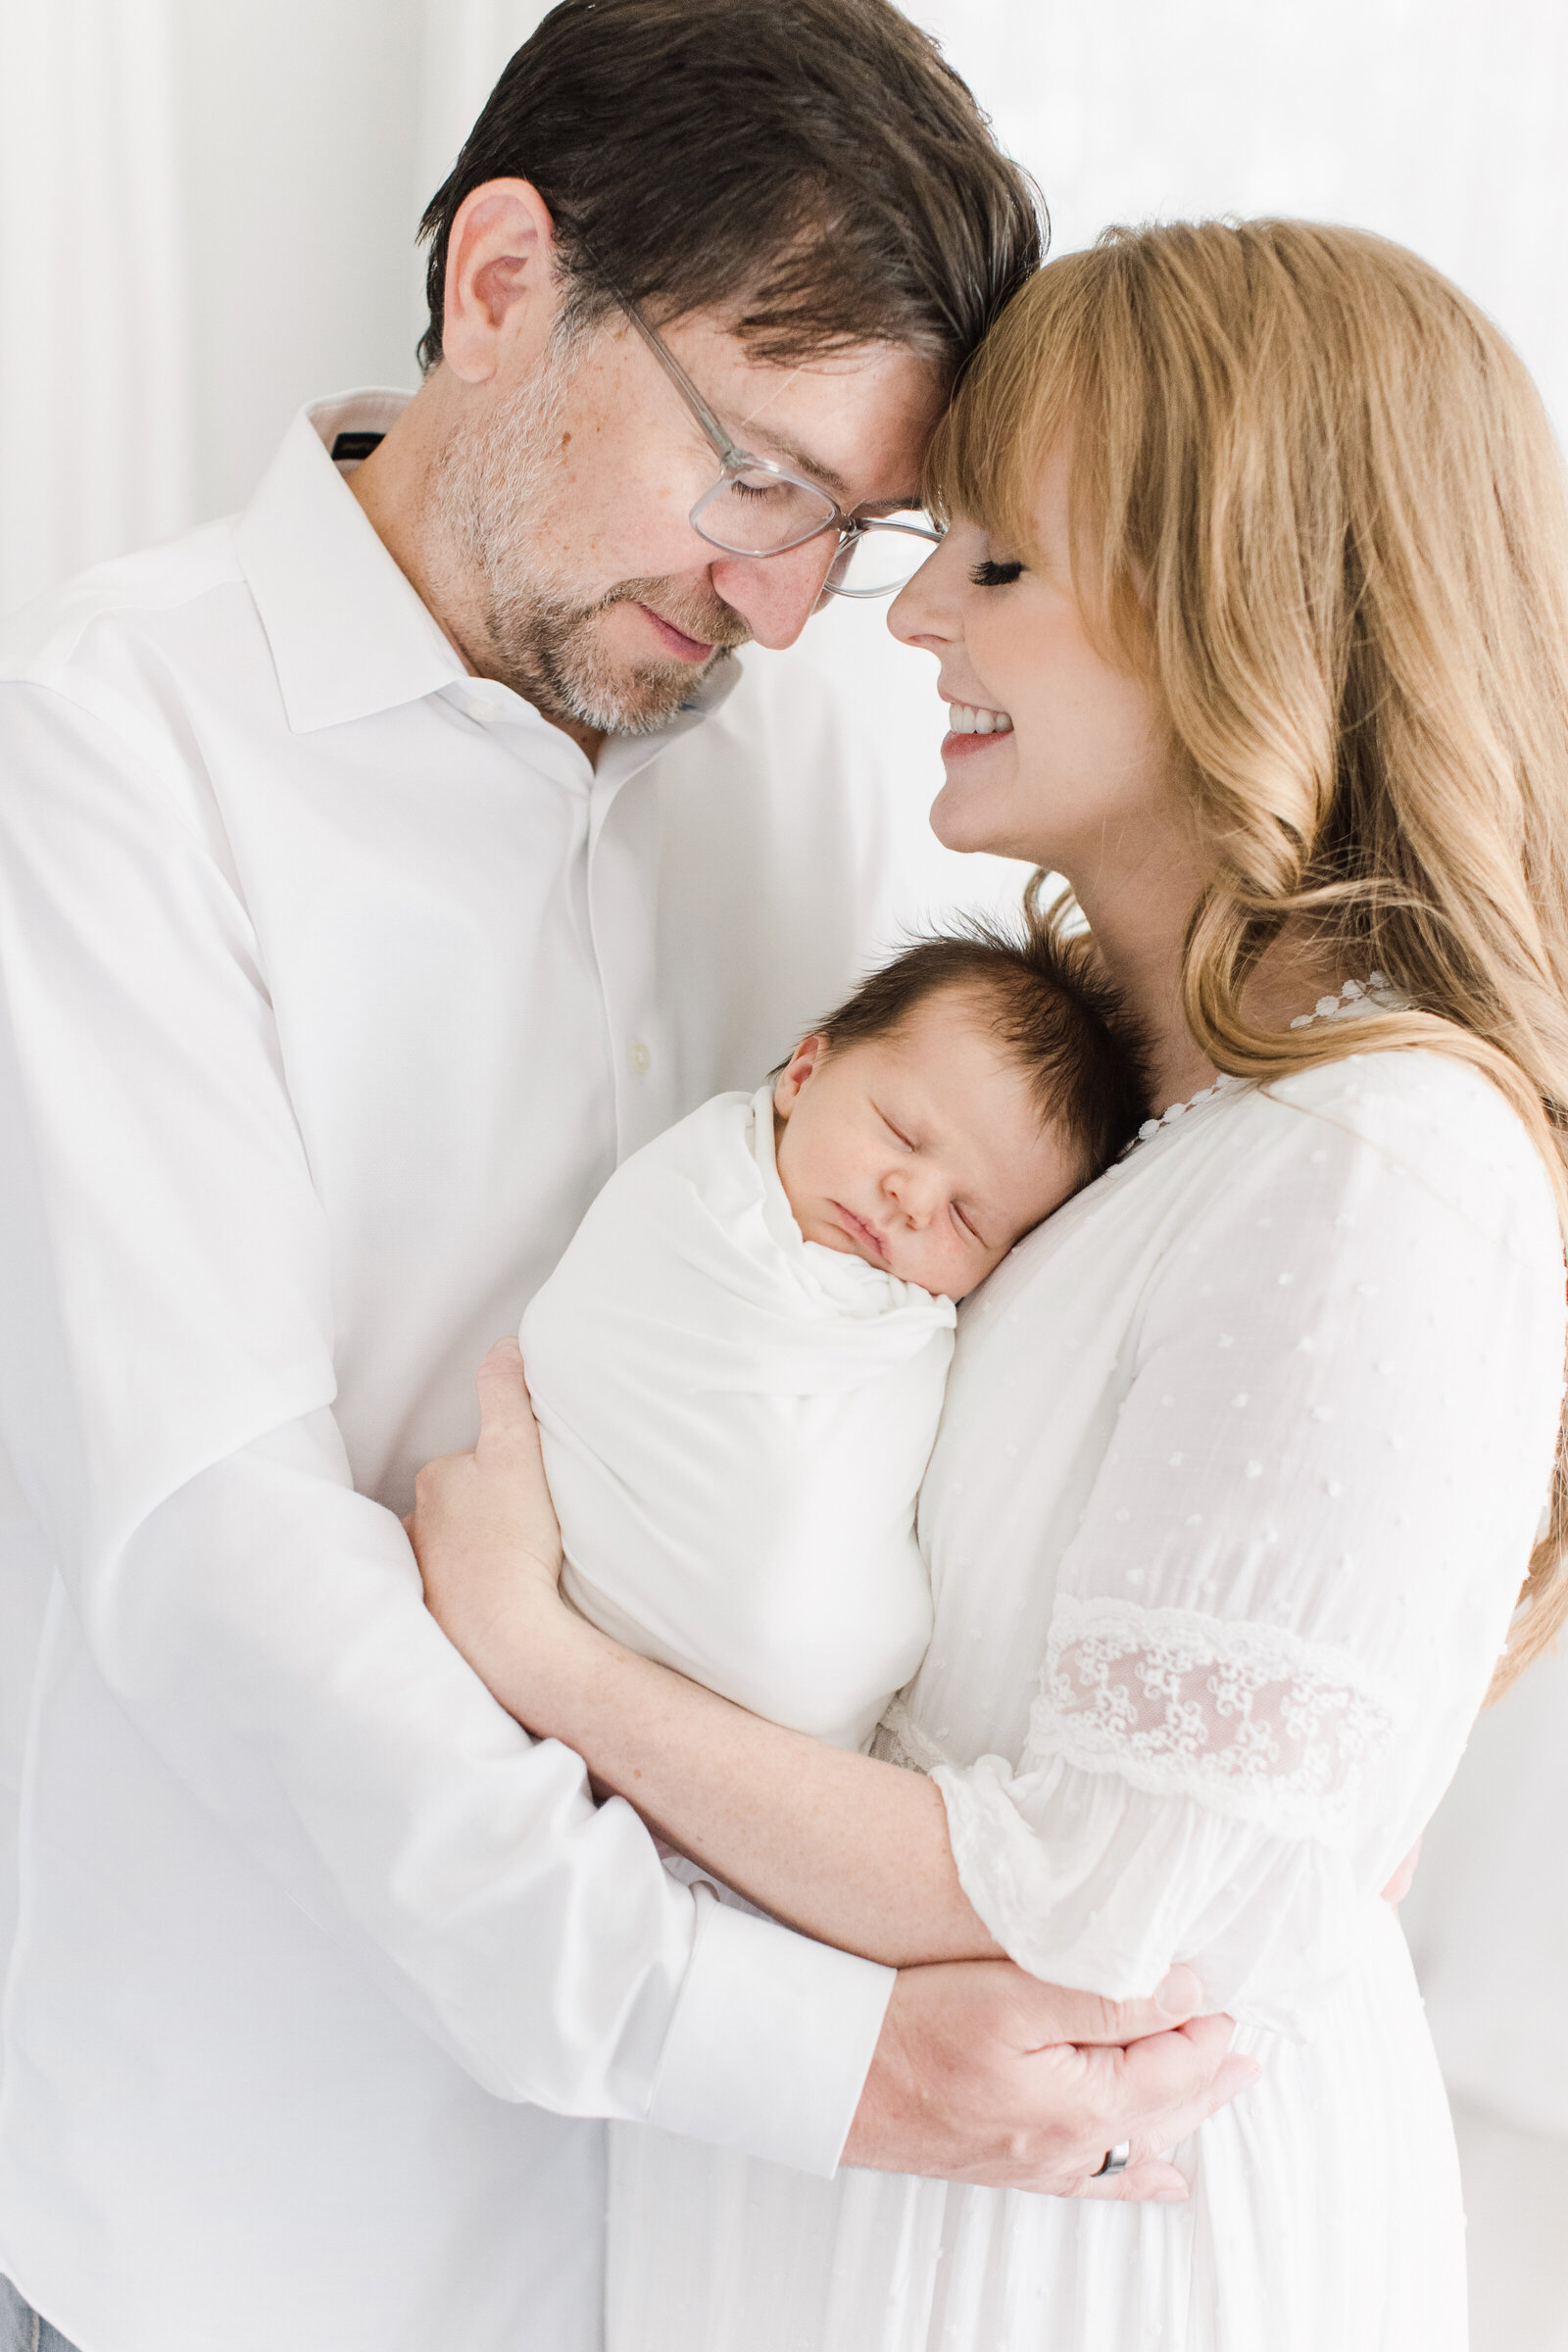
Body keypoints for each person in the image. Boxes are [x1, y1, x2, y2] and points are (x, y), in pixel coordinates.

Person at [0, 8, 1247, 2351]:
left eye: (853, 527)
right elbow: (212, 1545)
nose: (789, 610)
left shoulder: (744, 765)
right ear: (499, 282)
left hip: (712, 2243)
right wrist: (804, 2047)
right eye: (754, 475)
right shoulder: (102, 758)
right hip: (257, 2226)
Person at [410, 218, 1568, 2350]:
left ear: (1250, 606)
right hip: (897, 2207)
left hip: (1086, 2263)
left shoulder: (1375, 1164)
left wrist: (532, 1650)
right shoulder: (1148, 1132)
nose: (907, 613)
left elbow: (1098, 1915)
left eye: (997, 567)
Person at [526, 920, 1147, 1753]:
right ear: (805, 1073)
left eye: (969, 1217)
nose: (914, 1197)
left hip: (771, 1756)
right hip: (566, 1619)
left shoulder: (915, 1328)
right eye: (899, 1133)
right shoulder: (693, 1197)